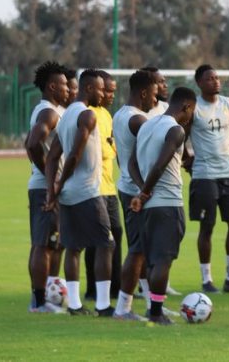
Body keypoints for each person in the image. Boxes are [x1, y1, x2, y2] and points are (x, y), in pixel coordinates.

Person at [44, 69, 114, 316]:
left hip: (69, 195)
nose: (104, 93)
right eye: (101, 89)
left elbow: (52, 156)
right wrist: (59, 183)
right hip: (87, 192)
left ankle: (74, 305)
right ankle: (104, 305)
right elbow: (73, 155)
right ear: (88, 89)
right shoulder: (87, 115)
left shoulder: (66, 116)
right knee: (106, 244)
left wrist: (53, 190)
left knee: (73, 247)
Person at [128, 87, 197, 325]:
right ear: (186, 107)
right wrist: (145, 191)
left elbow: (130, 163)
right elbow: (159, 165)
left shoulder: (147, 125)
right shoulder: (175, 131)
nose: (191, 118)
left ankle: (153, 307)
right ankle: (156, 313)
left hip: (149, 206)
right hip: (167, 203)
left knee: (152, 259)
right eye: (191, 112)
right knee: (163, 260)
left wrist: (142, 192)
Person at [187, 64, 229, 294]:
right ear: (200, 83)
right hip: (204, 175)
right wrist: (186, 158)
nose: (216, 81)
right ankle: (206, 280)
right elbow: (180, 135)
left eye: (217, 77)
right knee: (207, 227)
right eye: (210, 78)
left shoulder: (228, 103)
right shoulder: (193, 108)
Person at [111, 70, 160, 321]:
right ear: (143, 93)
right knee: (138, 250)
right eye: (154, 93)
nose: (156, 98)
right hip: (136, 192)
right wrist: (145, 189)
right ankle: (123, 308)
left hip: (126, 186)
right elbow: (145, 158)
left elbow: (122, 157)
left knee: (142, 250)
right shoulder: (139, 121)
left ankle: (152, 306)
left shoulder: (120, 114)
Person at [24, 61, 70, 313]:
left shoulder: (45, 110)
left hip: (45, 186)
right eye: (63, 85)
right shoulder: (49, 113)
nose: (67, 89)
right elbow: (32, 144)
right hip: (45, 188)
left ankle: (46, 298)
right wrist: (51, 178)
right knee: (43, 244)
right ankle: (39, 302)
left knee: (51, 243)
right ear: (52, 87)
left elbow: (26, 142)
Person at [83, 71, 122, 301]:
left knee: (115, 235)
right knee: (97, 241)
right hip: (94, 188)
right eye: (107, 90)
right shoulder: (87, 114)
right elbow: (99, 150)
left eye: (113, 92)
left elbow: (112, 147)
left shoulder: (107, 115)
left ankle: (115, 288)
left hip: (110, 188)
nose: (110, 95)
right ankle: (92, 290)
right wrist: (110, 148)